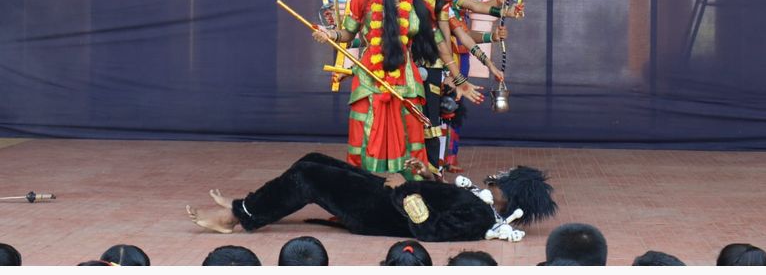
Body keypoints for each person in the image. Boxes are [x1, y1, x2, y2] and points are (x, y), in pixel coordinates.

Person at [312, 0, 481, 177]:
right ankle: (361, 195)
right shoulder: (363, 0)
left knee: (413, 143)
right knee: (362, 141)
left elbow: (440, 44)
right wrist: (330, 35)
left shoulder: (419, 4)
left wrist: (459, 80)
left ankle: (413, 197)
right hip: (369, 79)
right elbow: (347, 33)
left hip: (407, 81)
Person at [186, 151, 557, 242]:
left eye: (502, 181)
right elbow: (441, 200)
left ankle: (238, 215)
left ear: (509, 197)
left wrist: (403, 189)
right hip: (385, 196)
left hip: (377, 211)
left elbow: (428, 231)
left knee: (308, 176)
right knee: (313, 160)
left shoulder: (481, 217)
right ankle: (253, 205)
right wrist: (427, 176)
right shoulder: (480, 203)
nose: (495, 179)